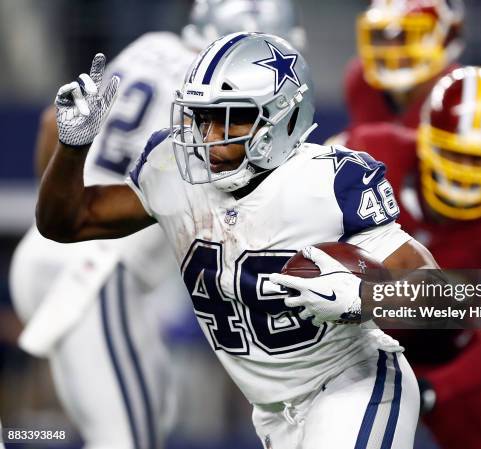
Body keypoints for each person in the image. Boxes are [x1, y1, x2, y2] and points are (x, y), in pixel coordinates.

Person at [34, 32, 449, 449]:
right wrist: (73, 147)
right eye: (201, 116)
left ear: (285, 116)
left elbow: (450, 299)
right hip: (272, 414)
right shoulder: (172, 171)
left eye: (232, 117)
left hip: (354, 386)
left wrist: (364, 296)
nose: (210, 136)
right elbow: (66, 223)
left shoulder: (328, 181)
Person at [10, 2, 305, 448]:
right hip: (97, 273)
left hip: (53, 246)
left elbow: (55, 123)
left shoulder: (151, 46)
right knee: (125, 439)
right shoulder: (227, 94)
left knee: (150, 411)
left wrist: (55, 210)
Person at [346, 66, 481, 449]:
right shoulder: (373, 155)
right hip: (361, 343)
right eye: (454, 153)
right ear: (424, 137)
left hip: (461, 350)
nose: (465, 172)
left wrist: (431, 390)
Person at [344, 0, 464, 132]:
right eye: (382, 36)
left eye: (404, 36)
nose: (392, 49)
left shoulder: (460, 95)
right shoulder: (362, 80)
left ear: (446, 38)